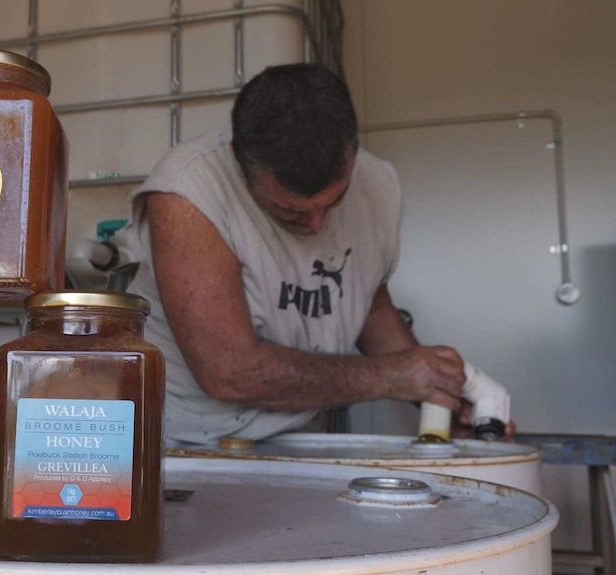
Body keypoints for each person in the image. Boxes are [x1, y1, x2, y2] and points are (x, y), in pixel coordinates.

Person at [123, 62, 469, 445]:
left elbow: (369, 305)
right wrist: (388, 376)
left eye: (335, 200)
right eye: (291, 210)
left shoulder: (378, 183)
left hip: (300, 436)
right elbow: (229, 372)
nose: (318, 225)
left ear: (353, 149)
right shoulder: (188, 191)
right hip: (187, 440)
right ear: (240, 162)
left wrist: (435, 387)